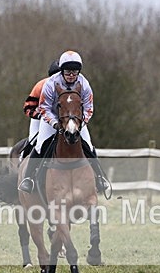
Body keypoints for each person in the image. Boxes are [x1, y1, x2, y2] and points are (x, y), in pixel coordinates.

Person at [18, 50, 111, 196]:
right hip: (52, 118)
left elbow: (89, 108)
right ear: (62, 71)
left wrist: (80, 123)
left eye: (75, 72)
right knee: (40, 145)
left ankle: (100, 177)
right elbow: (44, 108)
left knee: (88, 145)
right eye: (68, 72)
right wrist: (55, 124)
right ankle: (28, 179)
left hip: (75, 119)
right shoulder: (50, 84)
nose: (71, 75)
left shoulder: (84, 84)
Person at [20, 59, 61, 159]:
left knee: (86, 143)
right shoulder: (41, 86)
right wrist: (39, 116)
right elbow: (27, 107)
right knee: (35, 142)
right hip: (41, 118)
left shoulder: (72, 87)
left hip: (64, 118)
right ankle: (24, 158)